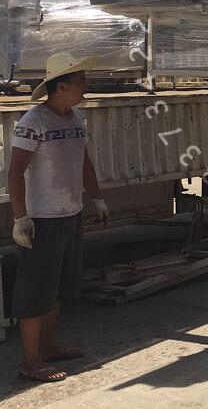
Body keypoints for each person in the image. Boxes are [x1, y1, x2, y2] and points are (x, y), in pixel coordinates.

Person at [8, 52, 110, 383]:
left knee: (57, 289)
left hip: (71, 214)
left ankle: (49, 347)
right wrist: (21, 218)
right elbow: (15, 173)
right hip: (43, 220)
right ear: (61, 86)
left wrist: (97, 198)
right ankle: (31, 362)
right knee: (35, 292)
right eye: (81, 82)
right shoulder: (33, 122)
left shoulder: (75, 119)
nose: (85, 88)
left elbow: (84, 162)